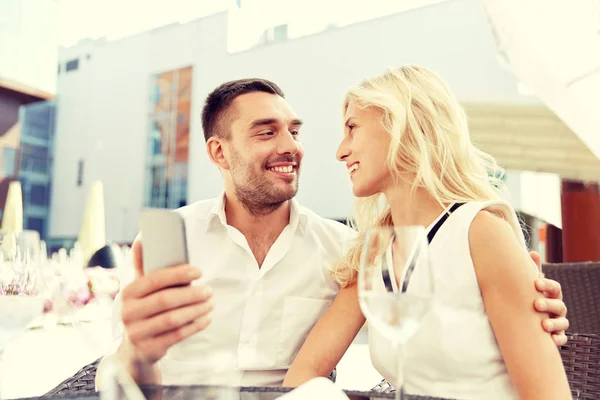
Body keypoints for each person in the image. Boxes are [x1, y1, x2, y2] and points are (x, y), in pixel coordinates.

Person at [96, 78, 569, 389]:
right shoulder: (366, 253)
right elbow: (123, 376)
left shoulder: (349, 249)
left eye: (295, 132)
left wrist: (536, 309)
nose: (298, 148)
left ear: (404, 131)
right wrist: (137, 349)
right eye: (266, 133)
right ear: (219, 153)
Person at [282, 66, 572, 399]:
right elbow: (303, 376)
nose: (340, 151)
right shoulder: (376, 252)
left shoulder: (480, 233)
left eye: (352, 128)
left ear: (402, 127)